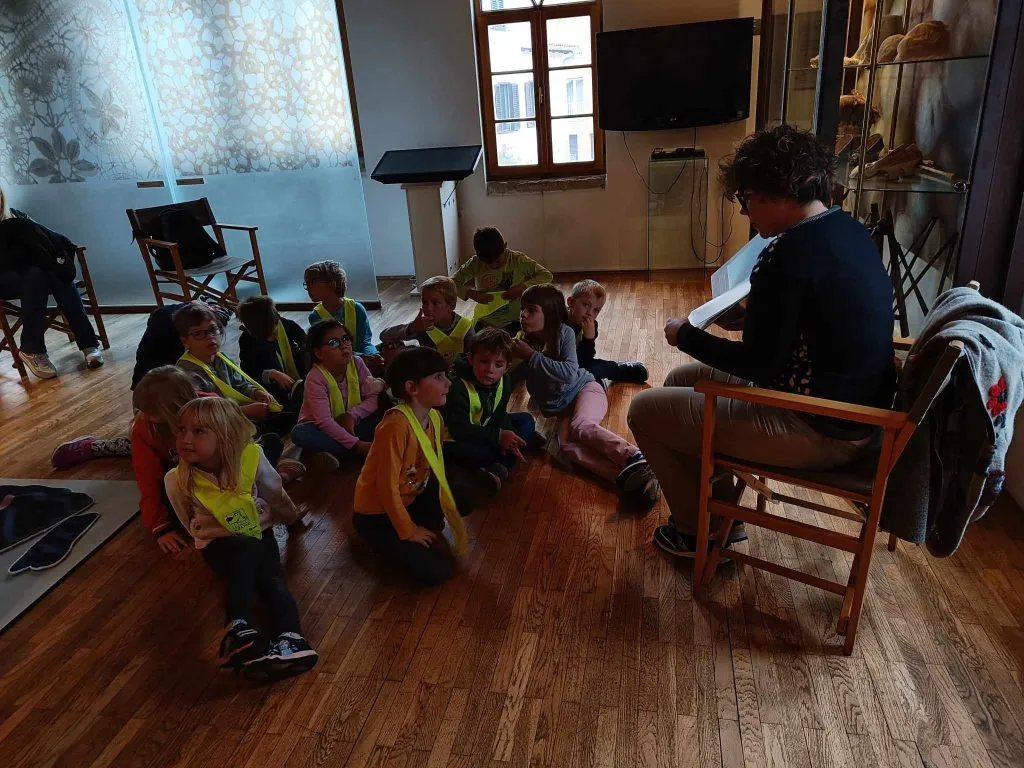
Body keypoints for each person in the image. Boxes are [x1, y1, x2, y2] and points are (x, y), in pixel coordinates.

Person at [627, 124, 897, 558]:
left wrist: (686, 335)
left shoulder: (786, 253)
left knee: (643, 410)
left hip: (819, 426)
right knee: (680, 380)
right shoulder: (846, 230)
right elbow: (810, 322)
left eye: (747, 197)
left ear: (782, 190)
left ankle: (696, 534)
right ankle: (717, 514)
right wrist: (750, 319)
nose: (745, 211)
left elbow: (758, 365)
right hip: (859, 415)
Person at [164, 397, 318, 679]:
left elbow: (275, 494)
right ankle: (238, 625)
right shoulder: (177, 479)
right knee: (248, 551)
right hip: (218, 545)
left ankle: (292, 639)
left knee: (272, 581)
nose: (185, 439)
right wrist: (204, 535)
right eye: (181, 430)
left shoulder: (251, 457)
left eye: (198, 431)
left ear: (226, 436)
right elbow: (187, 519)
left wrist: (291, 518)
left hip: (258, 532)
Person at [512, 284, 659, 508]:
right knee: (567, 447)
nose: (523, 315)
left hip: (586, 388)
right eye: (522, 309)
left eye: (531, 310)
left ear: (549, 314)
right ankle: (629, 480)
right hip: (563, 406)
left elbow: (569, 372)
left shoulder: (564, 333)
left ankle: (635, 457)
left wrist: (532, 357)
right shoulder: (523, 340)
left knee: (582, 426)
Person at [352, 346, 468, 586]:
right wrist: (409, 530)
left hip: (411, 495)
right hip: (376, 514)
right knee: (436, 572)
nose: (448, 383)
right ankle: (385, 540)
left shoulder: (434, 417)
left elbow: (431, 466)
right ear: (412, 388)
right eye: (439, 377)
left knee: (463, 496)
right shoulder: (395, 426)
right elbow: (386, 488)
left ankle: (420, 525)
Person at [173, 301, 302, 477]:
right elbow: (203, 416)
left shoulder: (220, 358)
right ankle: (260, 466)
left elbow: (240, 383)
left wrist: (256, 392)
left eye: (212, 330)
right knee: (266, 438)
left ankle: (267, 452)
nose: (209, 337)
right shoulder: (187, 374)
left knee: (290, 418)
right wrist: (245, 411)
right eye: (198, 334)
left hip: (240, 415)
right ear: (185, 341)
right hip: (220, 428)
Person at [0, 189, 103, 379]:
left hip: (31, 276)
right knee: (38, 275)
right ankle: (34, 349)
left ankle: (87, 344)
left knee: (54, 274)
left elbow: (45, 237)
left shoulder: (15, 214)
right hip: (4, 278)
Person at [443, 327, 539, 493]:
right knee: (479, 452)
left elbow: (499, 412)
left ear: (507, 367)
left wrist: (508, 431)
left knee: (526, 420)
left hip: (484, 428)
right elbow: (458, 429)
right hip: (458, 438)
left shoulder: (504, 380)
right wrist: (498, 436)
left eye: (498, 365)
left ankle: (495, 468)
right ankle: (498, 466)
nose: (490, 369)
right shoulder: (457, 386)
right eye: (484, 362)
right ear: (471, 359)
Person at [131, 366, 206, 554]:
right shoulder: (145, 428)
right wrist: (160, 526)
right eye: (144, 411)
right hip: (181, 474)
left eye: (152, 412)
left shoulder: (208, 408)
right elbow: (148, 480)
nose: (146, 416)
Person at [291, 319, 384, 471]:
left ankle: (335, 453)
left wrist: (352, 415)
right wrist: (357, 444)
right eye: (333, 343)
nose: (343, 346)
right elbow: (324, 422)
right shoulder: (315, 377)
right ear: (318, 353)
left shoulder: (357, 363)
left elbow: (374, 397)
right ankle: (357, 451)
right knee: (300, 433)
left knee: (384, 410)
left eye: (345, 339)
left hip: (352, 423)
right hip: (321, 428)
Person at [452, 226, 552, 330]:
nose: (494, 266)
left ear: (505, 246)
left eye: (497, 261)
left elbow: (546, 275)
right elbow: (451, 282)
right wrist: (471, 294)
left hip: (515, 319)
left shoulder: (517, 260)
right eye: (488, 263)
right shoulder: (475, 263)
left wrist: (523, 287)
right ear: (478, 256)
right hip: (485, 320)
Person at [303, 260, 383, 372]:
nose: (308, 288)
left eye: (312, 283)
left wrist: (372, 354)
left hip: (361, 357)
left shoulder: (357, 308)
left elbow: (365, 342)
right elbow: (330, 350)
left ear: (331, 285)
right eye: (306, 284)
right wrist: (361, 357)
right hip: (338, 363)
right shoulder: (315, 316)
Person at [567, 279, 649, 384]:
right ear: (571, 302)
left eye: (596, 310)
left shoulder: (591, 326)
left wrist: (588, 339)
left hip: (580, 365)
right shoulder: (560, 323)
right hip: (563, 369)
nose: (589, 313)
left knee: (598, 369)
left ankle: (620, 369)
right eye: (586, 305)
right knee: (589, 374)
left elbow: (586, 360)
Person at [236, 295, 308, 412]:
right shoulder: (246, 340)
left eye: (272, 333)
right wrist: (270, 374)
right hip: (274, 390)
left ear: (276, 318)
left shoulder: (286, 325)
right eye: (266, 337)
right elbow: (248, 372)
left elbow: (308, 344)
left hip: (301, 378)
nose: (271, 339)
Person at [379, 276, 473, 364]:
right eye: (424, 302)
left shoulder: (465, 327)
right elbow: (384, 336)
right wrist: (412, 327)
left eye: (435, 303)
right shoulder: (422, 326)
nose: (428, 308)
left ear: (451, 306)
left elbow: (473, 358)